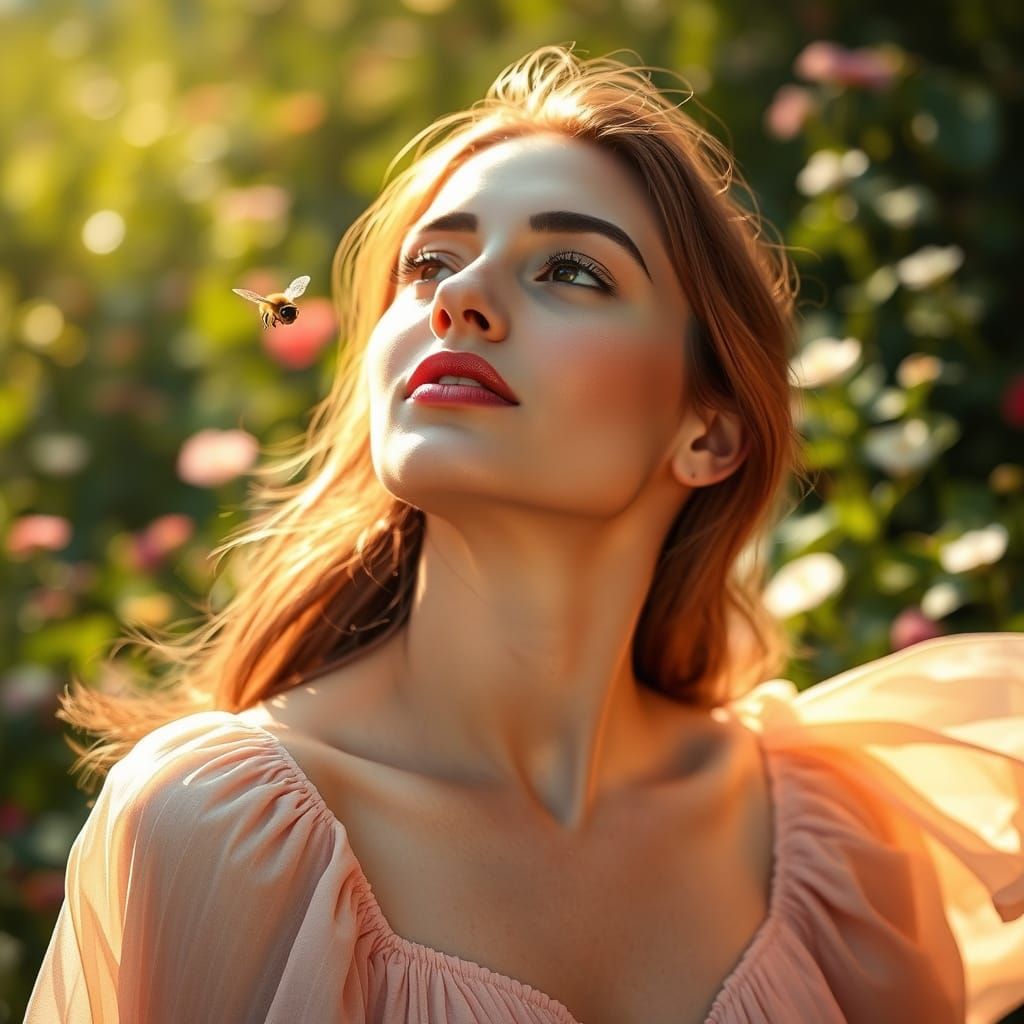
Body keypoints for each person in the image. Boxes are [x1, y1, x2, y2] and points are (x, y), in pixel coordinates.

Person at [24, 45, 1024, 1024]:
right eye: (430, 263)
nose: (457, 298)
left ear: (708, 432)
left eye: (570, 269)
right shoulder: (219, 832)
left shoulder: (838, 850)